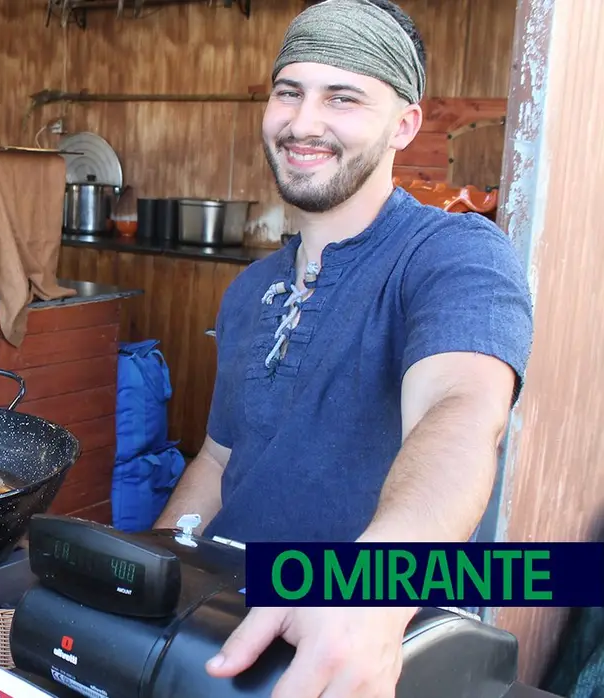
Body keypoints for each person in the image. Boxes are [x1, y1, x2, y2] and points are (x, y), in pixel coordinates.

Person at [151, 1, 535, 696]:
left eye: (344, 98)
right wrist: (155, 564)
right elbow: (219, 456)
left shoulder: (453, 255)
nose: (303, 122)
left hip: (373, 647)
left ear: (404, 124)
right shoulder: (250, 290)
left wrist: (370, 593)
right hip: (225, 624)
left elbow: (461, 410)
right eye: (289, 92)